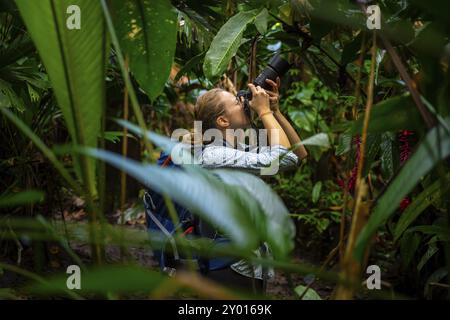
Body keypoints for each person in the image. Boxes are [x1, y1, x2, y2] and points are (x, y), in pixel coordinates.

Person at [188, 78, 308, 294]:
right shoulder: (213, 155)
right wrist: (264, 113)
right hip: (228, 267)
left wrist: (275, 111)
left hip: (248, 266)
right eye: (236, 101)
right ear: (223, 121)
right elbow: (280, 158)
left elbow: (297, 155)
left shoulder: (238, 149)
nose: (244, 102)